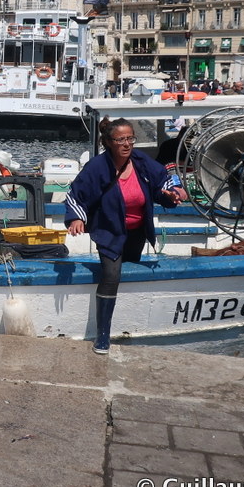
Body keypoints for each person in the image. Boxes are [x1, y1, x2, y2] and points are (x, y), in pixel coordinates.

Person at [64, 119, 187, 353]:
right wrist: (77, 218)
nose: (127, 144)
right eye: (121, 139)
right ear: (109, 142)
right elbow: (75, 196)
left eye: (130, 138)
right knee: (111, 274)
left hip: (137, 232)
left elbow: (163, 182)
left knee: (130, 269)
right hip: (109, 231)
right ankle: (102, 336)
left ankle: (130, 321)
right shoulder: (97, 167)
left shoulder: (141, 162)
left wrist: (172, 193)